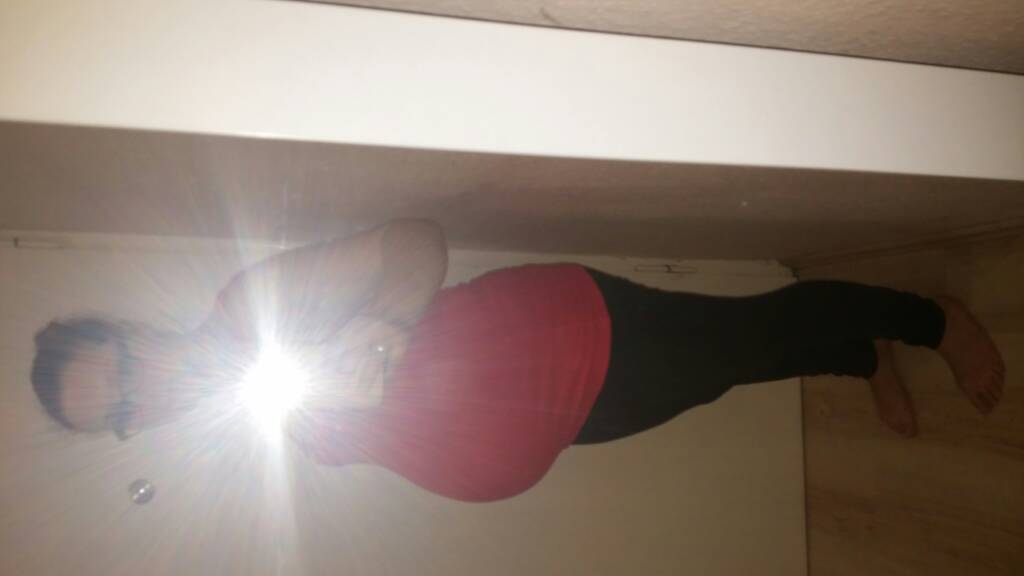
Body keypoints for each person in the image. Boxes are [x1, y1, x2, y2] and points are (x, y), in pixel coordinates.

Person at [30, 219, 1005, 502]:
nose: (144, 395)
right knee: (727, 370)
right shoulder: (239, 441)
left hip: (566, 338)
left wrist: (386, 327)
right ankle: (855, 355)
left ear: (132, 332)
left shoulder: (249, 307)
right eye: (122, 412)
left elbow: (414, 244)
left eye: (122, 370)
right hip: (568, 422)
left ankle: (929, 319)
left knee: (751, 329)